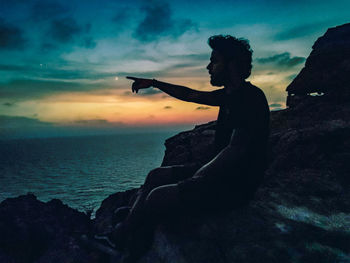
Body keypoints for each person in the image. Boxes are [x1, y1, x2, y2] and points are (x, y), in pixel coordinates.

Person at [96, 35, 270, 261]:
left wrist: (197, 177)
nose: (208, 67)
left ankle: (123, 238)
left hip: (235, 184)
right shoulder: (230, 95)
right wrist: (154, 83)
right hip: (219, 173)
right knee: (155, 176)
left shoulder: (250, 98)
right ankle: (131, 222)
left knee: (157, 197)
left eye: (214, 61)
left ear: (232, 64)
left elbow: (235, 150)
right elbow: (190, 95)